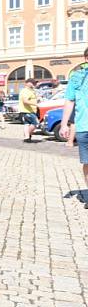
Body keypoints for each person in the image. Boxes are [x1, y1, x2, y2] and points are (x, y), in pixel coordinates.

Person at [60, 48, 88, 208]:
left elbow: (69, 101)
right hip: (84, 126)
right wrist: (64, 124)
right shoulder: (77, 77)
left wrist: (64, 124)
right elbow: (70, 100)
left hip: (84, 126)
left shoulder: (76, 76)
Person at [19, 78, 39, 143]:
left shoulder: (31, 91)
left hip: (30, 111)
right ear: (28, 83)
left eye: (35, 83)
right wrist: (36, 104)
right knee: (36, 123)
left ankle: (27, 137)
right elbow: (25, 101)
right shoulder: (25, 91)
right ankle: (27, 135)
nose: (34, 84)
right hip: (27, 111)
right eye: (33, 83)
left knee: (27, 124)